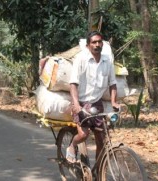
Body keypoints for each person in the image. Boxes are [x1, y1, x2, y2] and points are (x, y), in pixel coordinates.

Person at [67, 31, 119, 162]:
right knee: (84, 135)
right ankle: (72, 146)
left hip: (97, 104)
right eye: (94, 42)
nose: (97, 45)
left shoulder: (107, 61)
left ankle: (98, 170)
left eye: (99, 42)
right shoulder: (80, 59)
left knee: (102, 139)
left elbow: (112, 83)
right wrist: (76, 104)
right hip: (82, 103)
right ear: (88, 46)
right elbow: (73, 84)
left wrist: (113, 102)